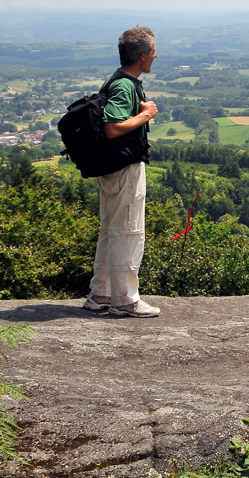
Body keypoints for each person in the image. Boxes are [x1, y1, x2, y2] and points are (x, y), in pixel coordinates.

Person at [82, 26, 160, 317]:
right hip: (123, 169)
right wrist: (146, 115)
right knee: (128, 231)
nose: (156, 55)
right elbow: (112, 127)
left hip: (111, 168)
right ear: (142, 56)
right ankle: (125, 300)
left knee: (111, 231)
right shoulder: (125, 85)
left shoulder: (119, 80)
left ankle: (101, 295)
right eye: (153, 51)